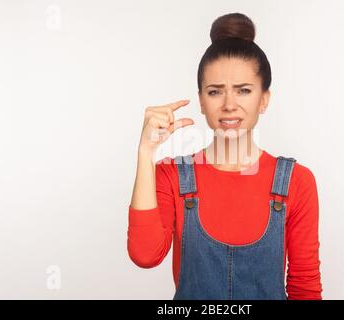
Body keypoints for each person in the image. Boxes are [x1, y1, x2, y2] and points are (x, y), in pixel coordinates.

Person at [128, 12, 322, 300]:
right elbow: (145, 256)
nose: (229, 105)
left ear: (264, 99)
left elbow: (304, 286)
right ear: (202, 101)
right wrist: (145, 153)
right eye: (216, 91)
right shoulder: (171, 174)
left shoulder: (296, 181)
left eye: (243, 90)